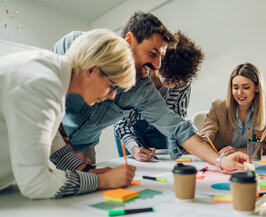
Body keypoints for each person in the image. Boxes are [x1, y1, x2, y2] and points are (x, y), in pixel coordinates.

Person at [51, 11, 251, 171]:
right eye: (153, 53)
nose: (157, 64)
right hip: (48, 140)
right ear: (129, 39)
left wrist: (220, 160)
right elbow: (47, 100)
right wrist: (65, 153)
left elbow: (177, 126)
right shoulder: (77, 46)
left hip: (85, 148)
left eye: (161, 56)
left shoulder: (143, 88)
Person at [0, 29, 137, 199]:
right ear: (91, 70)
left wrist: (88, 171)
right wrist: (102, 181)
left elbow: (45, 137)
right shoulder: (42, 84)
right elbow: (36, 182)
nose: (112, 96)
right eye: (112, 86)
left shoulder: (50, 71)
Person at [114, 30, 204, 161]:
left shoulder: (182, 81)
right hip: (129, 126)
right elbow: (122, 124)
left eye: (177, 81)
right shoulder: (136, 78)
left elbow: (177, 116)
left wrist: (184, 142)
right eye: (169, 78)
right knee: (134, 166)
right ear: (158, 63)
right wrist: (134, 149)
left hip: (160, 128)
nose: (173, 85)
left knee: (162, 163)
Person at [200, 63, 266, 155]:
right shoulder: (218, 106)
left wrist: (241, 151)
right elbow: (205, 139)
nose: (239, 93)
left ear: (257, 87)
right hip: (224, 162)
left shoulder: (265, 105)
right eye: (235, 87)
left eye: (246, 87)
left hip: (252, 163)